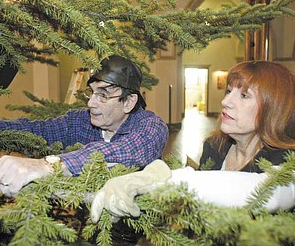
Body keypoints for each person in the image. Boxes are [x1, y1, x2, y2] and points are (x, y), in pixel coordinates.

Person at [90, 60, 295, 223]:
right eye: (228, 91)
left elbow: (269, 194)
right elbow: (204, 193)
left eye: (243, 95)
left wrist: (159, 182)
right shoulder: (215, 147)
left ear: (273, 107)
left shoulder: (288, 159)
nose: (225, 102)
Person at [0, 55, 169, 197]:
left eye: (103, 95)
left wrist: (49, 165)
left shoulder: (151, 126)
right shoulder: (81, 121)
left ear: (129, 102)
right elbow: (37, 130)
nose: (91, 103)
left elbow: (127, 150)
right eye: (92, 93)